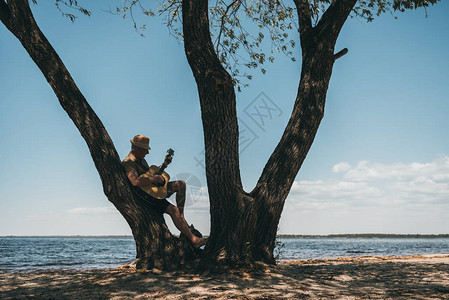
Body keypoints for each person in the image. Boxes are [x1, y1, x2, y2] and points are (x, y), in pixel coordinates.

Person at [122, 135, 207, 248]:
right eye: (145, 149)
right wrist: (153, 179)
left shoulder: (141, 160)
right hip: (145, 196)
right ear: (137, 148)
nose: (147, 152)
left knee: (181, 184)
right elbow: (135, 182)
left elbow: (151, 175)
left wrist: (164, 165)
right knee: (174, 210)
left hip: (152, 190)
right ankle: (195, 240)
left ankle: (181, 216)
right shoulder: (128, 163)